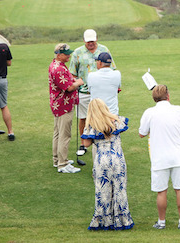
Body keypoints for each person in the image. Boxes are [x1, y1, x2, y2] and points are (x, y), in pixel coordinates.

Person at [139, 84, 180, 231]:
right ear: (168, 96)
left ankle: (161, 222)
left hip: (159, 158)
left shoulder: (149, 112)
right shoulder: (178, 110)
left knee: (161, 191)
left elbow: (142, 133)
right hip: (178, 157)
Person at [81, 98, 133, 230]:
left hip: (102, 161)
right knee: (120, 190)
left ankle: (104, 221)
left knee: (102, 191)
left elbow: (85, 144)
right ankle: (122, 220)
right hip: (117, 159)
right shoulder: (116, 120)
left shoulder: (92, 126)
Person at [70, 28, 114, 155]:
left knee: (103, 117)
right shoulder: (77, 53)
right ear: (84, 40)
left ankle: (105, 140)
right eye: (88, 41)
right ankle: (83, 144)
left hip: (101, 92)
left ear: (96, 39)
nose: (91, 43)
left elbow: (112, 68)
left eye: (93, 41)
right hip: (84, 92)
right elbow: (72, 73)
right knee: (83, 118)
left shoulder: (104, 50)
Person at [49, 43, 84, 173]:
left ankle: (57, 159)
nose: (69, 56)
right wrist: (78, 83)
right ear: (59, 55)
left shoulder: (55, 65)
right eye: (66, 54)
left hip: (58, 104)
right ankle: (62, 164)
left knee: (58, 132)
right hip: (64, 105)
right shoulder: (59, 69)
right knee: (65, 134)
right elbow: (68, 88)